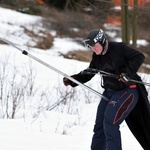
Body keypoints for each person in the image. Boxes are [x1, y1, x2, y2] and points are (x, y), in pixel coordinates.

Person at [63, 28, 150, 150]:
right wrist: (73, 80)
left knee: (110, 123)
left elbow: (139, 56)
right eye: (90, 46)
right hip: (110, 92)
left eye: (94, 45)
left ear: (102, 41)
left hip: (127, 90)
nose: (93, 48)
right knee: (99, 125)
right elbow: (90, 72)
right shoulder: (97, 56)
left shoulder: (118, 48)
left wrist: (127, 73)